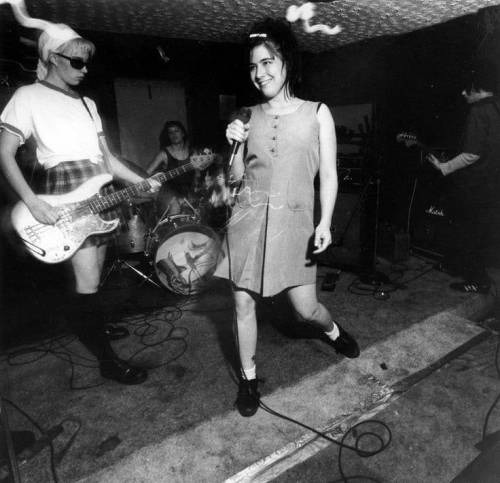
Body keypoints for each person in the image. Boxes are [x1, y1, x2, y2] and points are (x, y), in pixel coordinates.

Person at [214, 18, 359, 418]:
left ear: (287, 62)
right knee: (243, 305)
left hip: (294, 224)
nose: (259, 73)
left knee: (305, 309)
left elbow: (328, 174)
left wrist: (325, 221)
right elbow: (235, 181)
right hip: (247, 224)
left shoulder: (317, 113)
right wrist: (234, 147)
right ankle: (248, 378)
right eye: (252, 66)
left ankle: (333, 331)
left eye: (267, 62)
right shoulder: (246, 115)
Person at [0, 23, 159, 384]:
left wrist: (141, 181)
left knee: (95, 273)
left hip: (98, 190)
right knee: (87, 279)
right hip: (64, 190)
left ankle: (94, 324)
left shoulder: (88, 104)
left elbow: (109, 161)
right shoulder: (27, 96)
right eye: (76, 61)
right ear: (53, 58)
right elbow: (4, 154)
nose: (85, 69)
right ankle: (107, 361)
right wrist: (32, 202)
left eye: (87, 62)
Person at [427, 61, 500, 294]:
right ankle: (457, 265)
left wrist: (444, 166)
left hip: (475, 186)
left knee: (468, 231)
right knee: (477, 232)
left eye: (466, 89)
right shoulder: (497, 107)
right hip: (491, 185)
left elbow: (471, 153)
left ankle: (478, 281)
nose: (462, 93)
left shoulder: (479, 110)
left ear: (477, 88)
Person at [146, 120, 198, 217]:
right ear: (168, 136)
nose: (174, 134)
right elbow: (145, 173)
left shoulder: (192, 152)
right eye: (170, 132)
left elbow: (197, 175)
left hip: (188, 194)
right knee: (175, 208)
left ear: (182, 133)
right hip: (168, 196)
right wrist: (154, 187)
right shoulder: (163, 154)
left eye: (176, 131)